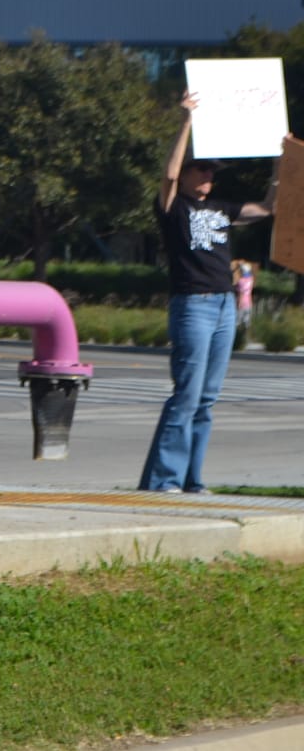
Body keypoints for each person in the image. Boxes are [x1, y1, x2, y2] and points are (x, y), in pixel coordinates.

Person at [140, 91, 275, 495]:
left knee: (207, 399)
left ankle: (192, 481)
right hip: (193, 305)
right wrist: (186, 121)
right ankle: (164, 481)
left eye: (212, 171)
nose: (208, 176)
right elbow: (167, 176)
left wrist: (282, 160)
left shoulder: (221, 208)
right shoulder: (173, 207)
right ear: (186, 174)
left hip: (224, 305)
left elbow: (268, 207)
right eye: (201, 169)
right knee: (187, 394)